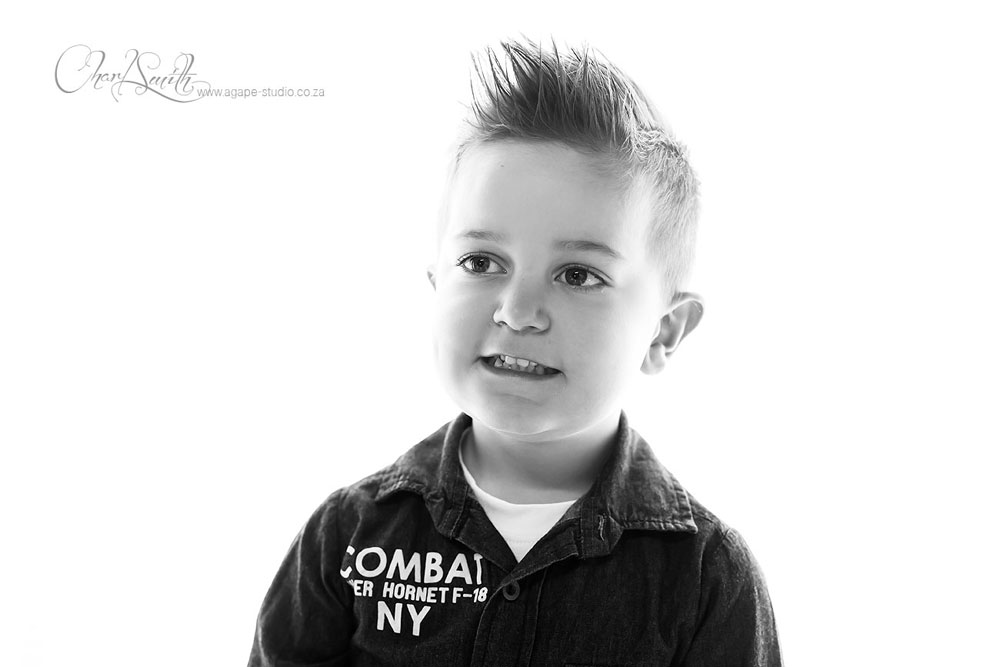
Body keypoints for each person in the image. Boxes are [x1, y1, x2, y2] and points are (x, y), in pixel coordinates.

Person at [248, 38, 781, 666]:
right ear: (437, 285)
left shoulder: (707, 580)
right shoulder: (345, 538)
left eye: (578, 275)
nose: (518, 310)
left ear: (663, 332)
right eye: (481, 262)